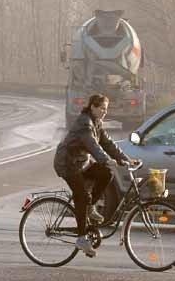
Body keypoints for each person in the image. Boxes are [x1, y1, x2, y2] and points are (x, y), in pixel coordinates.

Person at [53, 93, 135, 257]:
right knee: (81, 196)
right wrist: (106, 160)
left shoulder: (97, 122)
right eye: (102, 108)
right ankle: (81, 238)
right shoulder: (84, 123)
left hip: (81, 163)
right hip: (67, 163)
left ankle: (90, 207)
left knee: (107, 173)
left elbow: (108, 143)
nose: (105, 112)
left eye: (106, 109)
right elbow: (93, 145)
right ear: (93, 107)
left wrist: (125, 159)